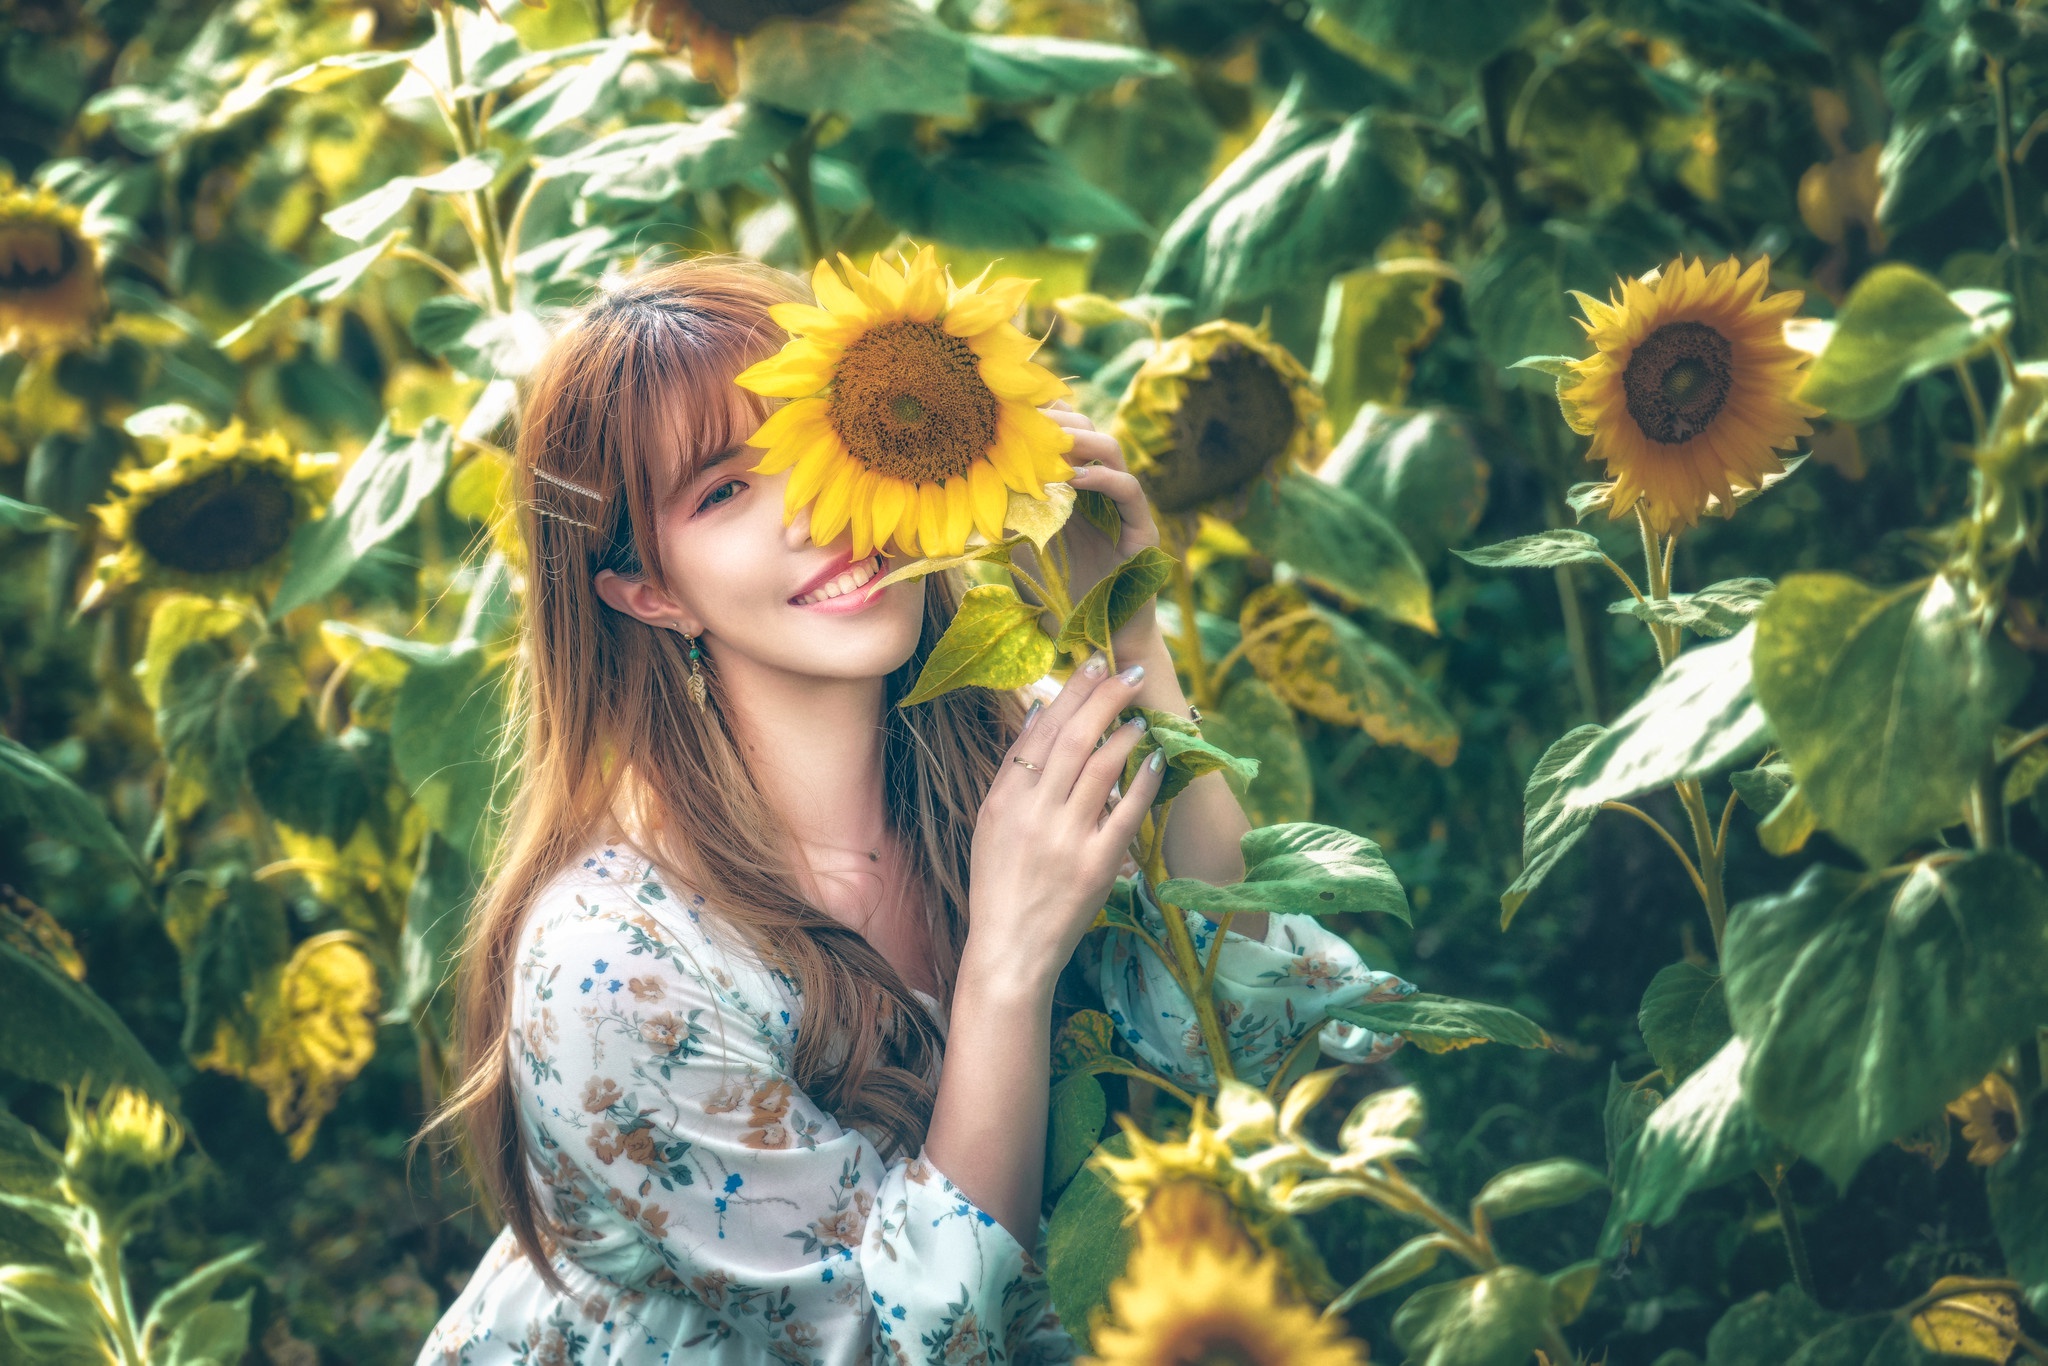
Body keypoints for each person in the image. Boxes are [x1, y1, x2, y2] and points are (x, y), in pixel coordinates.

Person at [417, 257, 1415, 1366]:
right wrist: (1006, 959)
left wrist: (1124, 622)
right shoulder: (617, 963)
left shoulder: (998, 749)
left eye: (819, 442)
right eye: (722, 490)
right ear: (646, 591)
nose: (815, 509)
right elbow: (903, 1344)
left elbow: (1259, 1020)